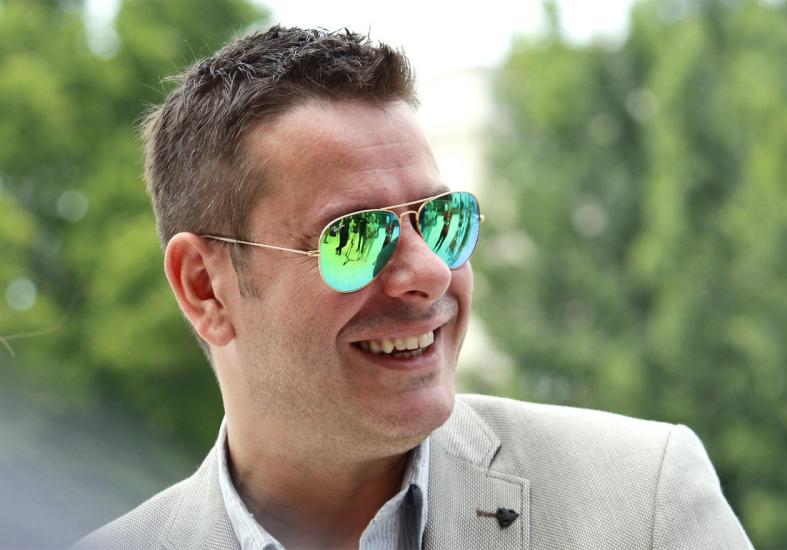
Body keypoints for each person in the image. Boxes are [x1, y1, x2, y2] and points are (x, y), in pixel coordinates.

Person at [74, 26, 753, 549]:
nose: (430, 272)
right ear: (205, 288)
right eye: (354, 236)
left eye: (441, 220)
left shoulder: (643, 503)